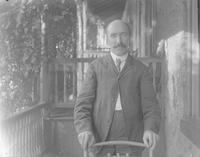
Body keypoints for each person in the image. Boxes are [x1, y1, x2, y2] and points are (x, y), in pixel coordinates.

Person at [74, 19, 161, 157]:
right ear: (107, 39)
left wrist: (150, 129)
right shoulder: (95, 68)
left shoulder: (142, 70)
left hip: (132, 140)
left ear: (130, 37)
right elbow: (82, 105)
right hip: (100, 139)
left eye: (123, 35)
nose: (118, 40)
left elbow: (151, 107)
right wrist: (84, 129)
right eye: (113, 36)